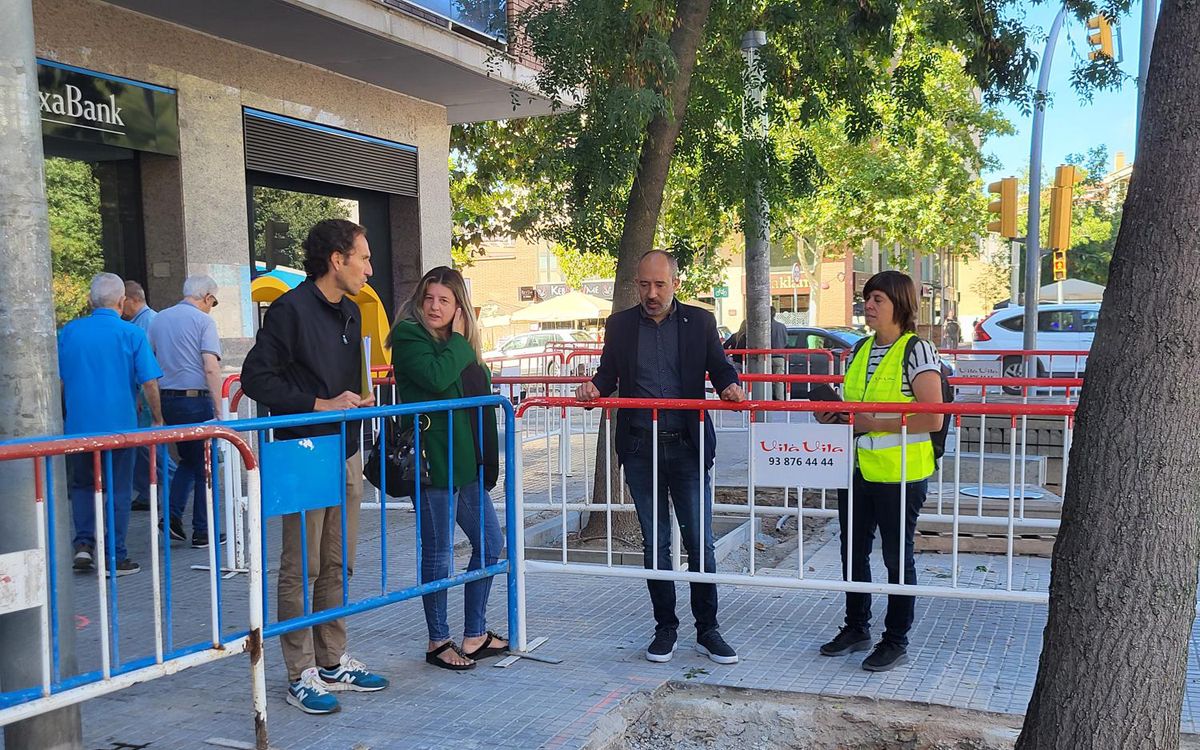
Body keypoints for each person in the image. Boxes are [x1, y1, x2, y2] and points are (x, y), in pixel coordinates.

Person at [241, 219, 388, 714]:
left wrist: (357, 406)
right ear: (337, 259)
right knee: (299, 567)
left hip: (343, 453)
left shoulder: (351, 312)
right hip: (302, 453)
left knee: (337, 562)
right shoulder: (289, 310)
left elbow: (344, 386)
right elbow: (255, 377)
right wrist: (319, 404)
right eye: (364, 258)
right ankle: (298, 672)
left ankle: (332, 660)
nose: (370, 267)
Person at [577, 250, 746, 665]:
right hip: (640, 447)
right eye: (644, 284)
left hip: (687, 446)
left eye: (660, 285)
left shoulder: (700, 322)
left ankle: (708, 630)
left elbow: (720, 367)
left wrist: (731, 386)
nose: (651, 293)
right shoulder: (619, 325)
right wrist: (593, 389)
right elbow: (607, 373)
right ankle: (665, 628)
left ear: (675, 284)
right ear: (636, 284)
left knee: (699, 542)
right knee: (656, 542)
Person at [816, 270, 944, 672]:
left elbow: (933, 417)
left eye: (877, 300)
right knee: (852, 551)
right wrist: (833, 415)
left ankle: (896, 639)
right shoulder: (858, 351)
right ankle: (857, 627)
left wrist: (874, 423)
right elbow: (856, 410)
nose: (868, 306)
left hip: (900, 473)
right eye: (867, 299)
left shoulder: (917, 351)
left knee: (895, 557)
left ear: (899, 305)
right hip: (855, 468)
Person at [390, 266, 505, 672]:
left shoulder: (460, 346)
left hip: (466, 464)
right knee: (438, 553)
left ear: (459, 307)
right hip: (432, 463)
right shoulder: (409, 337)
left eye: (445, 300)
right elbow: (437, 379)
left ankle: (475, 632)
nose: (435, 307)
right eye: (430, 299)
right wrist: (458, 339)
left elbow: (478, 390)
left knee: (491, 544)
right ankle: (437, 640)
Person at [58, 273, 164, 577]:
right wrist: (157, 419)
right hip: (121, 428)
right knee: (118, 489)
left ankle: (83, 545)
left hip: (78, 427)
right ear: (121, 301)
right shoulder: (131, 334)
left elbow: (61, 381)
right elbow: (149, 383)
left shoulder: (69, 332)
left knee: (82, 485)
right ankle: (115, 555)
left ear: (91, 301)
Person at [149, 275, 225, 549]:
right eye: (213, 302)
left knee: (188, 461)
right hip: (197, 401)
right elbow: (210, 367)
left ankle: (171, 517)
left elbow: (150, 364)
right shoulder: (204, 322)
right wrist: (220, 409)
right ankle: (203, 531)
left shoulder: (159, 319)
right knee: (206, 466)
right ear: (206, 297)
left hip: (167, 400)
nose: (212, 307)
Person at [122, 280, 176, 512]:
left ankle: (172, 484)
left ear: (132, 299)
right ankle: (147, 491)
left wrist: (150, 405)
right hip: (143, 394)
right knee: (142, 448)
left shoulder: (145, 323)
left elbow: (146, 371)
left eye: (122, 301)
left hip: (145, 395)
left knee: (151, 447)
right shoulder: (144, 321)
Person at [770, 306, 789, 400]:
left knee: (766, 379)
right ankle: (780, 399)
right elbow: (786, 341)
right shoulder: (782, 326)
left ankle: (767, 397)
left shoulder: (765, 328)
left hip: (766, 357)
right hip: (779, 356)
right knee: (779, 380)